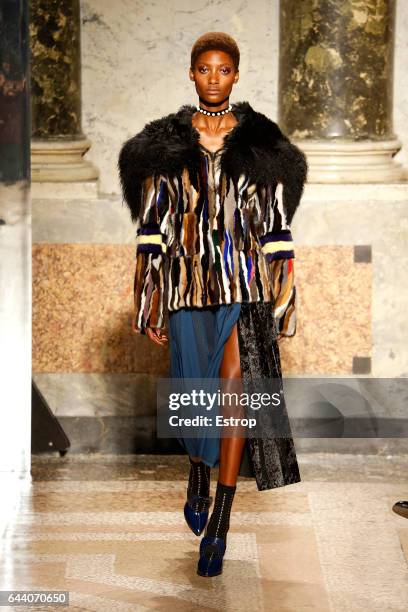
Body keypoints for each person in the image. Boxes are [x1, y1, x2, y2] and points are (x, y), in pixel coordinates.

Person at [118, 31, 308, 577]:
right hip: (186, 283)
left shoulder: (261, 143)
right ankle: (198, 470)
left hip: (244, 284)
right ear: (192, 73)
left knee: (233, 397)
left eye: (224, 69)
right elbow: (152, 228)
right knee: (194, 394)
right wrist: (148, 298)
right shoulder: (165, 144)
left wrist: (283, 299)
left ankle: (220, 525)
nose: (214, 78)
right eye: (205, 69)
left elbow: (275, 224)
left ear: (236, 74)